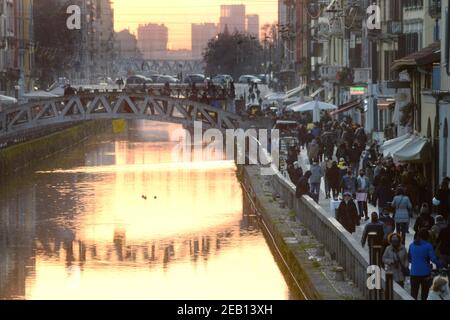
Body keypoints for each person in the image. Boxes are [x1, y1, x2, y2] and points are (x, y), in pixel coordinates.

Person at [408, 229, 442, 300]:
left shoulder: (411, 245)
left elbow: (410, 259)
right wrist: (440, 264)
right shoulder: (428, 245)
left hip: (414, 273)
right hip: (425, 273)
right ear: (427, 237)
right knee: (425, 294)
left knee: (413, 294)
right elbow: (433, 259)